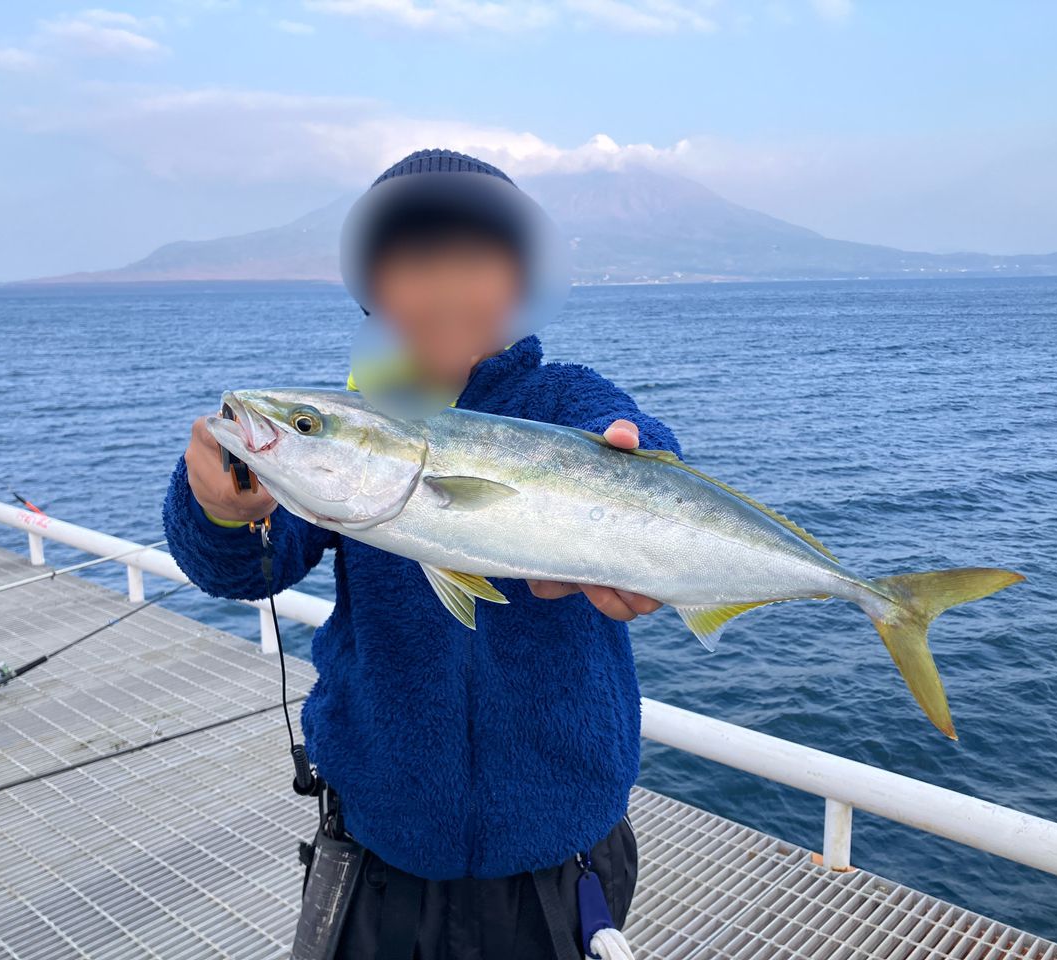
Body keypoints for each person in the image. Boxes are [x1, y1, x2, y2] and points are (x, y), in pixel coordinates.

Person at [163, 148, 681, 960]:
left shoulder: (565, 397)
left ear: (520, 280)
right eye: (414, 264)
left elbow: (629, 435)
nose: (445, 289)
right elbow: (248, 567)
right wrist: (222, 511)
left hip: (562, 851)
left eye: (475, 260)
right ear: (372, 289)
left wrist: (638, 467)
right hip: (379, 847)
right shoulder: (346, 433)